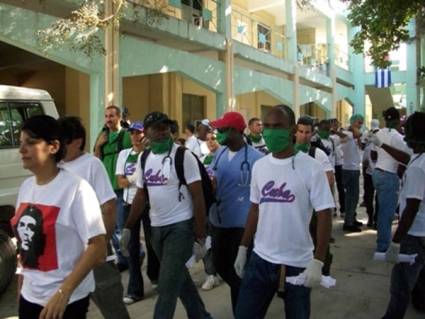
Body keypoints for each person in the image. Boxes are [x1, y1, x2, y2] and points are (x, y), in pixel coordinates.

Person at [234, 105, 334, 319]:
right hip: (260, 259)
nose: (270, 131)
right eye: (267, 126)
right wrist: (243, 247)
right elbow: (254, 209)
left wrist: (318, 260)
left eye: (277, 126)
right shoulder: (260, 166)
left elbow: (325, 214)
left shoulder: (311, 167)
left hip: (297, 263)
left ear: (291, 129)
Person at [11, 115, 106, 319]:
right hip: (30, 297)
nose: (21, 150)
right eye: (21, 143)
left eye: (30, 143)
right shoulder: (26, 187)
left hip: (64, 303)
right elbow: (26, 246)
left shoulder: (76, 189)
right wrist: (22, 285)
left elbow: (98, 247)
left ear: (53, 146)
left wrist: (64, 292)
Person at [120, 112, 212, 319]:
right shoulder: (144, 158)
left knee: (167, 285)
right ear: (147, 132)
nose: (162, 132)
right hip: (156, 229)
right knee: (180, 279)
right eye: (156, 128)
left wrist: (200, 235)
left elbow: (198, 196)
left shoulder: (183, 155)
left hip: (180, 227)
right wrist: (127, 227)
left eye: (165, 127)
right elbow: (141, 195)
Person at [58, 116, 130, 318]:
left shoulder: (92, 165)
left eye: (63, 141)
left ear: (77, 141)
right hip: (65, 253)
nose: (58, 146)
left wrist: (102, 244)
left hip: (93, 248)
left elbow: (108, 207)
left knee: (111, 306)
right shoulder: (56, 167)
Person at [209, 111, 263, 314]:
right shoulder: (220, 153)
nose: (218, 133)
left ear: (234, 131)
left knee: (239, 274)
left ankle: (242, 311)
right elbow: (214, 179)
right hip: (219, 221)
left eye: (222, 130)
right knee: (222, 266)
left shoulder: (257, 159)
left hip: (241, 225)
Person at [382, 112, 425, 319]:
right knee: (421, 277)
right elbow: (407, 158)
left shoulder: (418, 168)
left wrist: (396, 241)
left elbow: (411, 208)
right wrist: (382, 146)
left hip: (414, 233)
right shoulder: (419, 158)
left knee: (400, 284)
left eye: (406, 130)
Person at [295, 116, 335, 275]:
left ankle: (322, 267)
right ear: (295, 132)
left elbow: (329, 178)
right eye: (301, 131)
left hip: (313, 205)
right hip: (295, 205)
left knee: (317, 237)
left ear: (312, 134)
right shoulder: (287, 151)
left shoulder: (317, 154)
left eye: (307, 132)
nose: (304, 135)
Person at [94, 105, 132, 271]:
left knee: (121, 225)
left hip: (120, 186)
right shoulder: (102, 135)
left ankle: (130, 256)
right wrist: (98, 146)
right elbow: (96, 159)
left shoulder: (125, 135)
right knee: (112, 226)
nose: (108, 119)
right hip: (106, 186)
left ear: (119, 118)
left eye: (112, 116)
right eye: (106, 116)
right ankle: (126, 257)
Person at [369, 107, 412, 252]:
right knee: (386, 214)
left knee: (382, 209)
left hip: (377, 173)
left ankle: (381, 241)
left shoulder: (378, 133)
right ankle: (382, 247)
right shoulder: (397, 137)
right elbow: (407, 158)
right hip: (389, 175)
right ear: (397, 120)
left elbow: (373, 156)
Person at [115, 122, 147, 304]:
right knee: (132, 246)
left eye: (138, 133)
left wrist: (131, 180)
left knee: (153, 244)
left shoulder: (149, 154)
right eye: (132, 133)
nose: (135, 136)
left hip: (148, 204)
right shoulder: (124, 154)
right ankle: (135, 290)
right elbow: (120, 181)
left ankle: (156, 275)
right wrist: (133, 180)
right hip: (129, 204)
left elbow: (145, 181)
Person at [336, 114, 364, 232]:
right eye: (359, 122)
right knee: (352, 197)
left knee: (353, 197)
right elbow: (357, 134)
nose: (361, 125)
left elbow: (360, 143)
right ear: (353, 123)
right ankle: (348, 223)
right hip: (350, 169)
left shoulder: (352, 134)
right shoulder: (349, 133)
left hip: (353, 168)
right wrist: (353, 128)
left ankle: (352, 218)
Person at [200, 131, 221, 291]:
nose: (210, 142)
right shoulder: (203, 160)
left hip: (225, 205)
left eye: (213, 139)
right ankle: (211, 274)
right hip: (208, 205)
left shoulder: (225, 157)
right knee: (207, 240)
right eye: (207, 140)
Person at [362, 119, 380, 228]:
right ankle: (375, 219)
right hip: (378, 173)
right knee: (377, 197)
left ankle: (371, 219)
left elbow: (364, 162)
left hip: (370, 174)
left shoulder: (368, 143)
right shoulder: (382, 143)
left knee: (369, 197)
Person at [330, 118, 345, 217]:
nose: (335, 126)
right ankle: (333, 207)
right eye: (333, 124)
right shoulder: (329, 137)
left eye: (336, 124)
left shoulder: (338, 135)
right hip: (331, 165)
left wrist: (336, 131)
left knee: (341, 187)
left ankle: (343, 208)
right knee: (330, 187)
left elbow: (346, 138)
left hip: (339, 164)